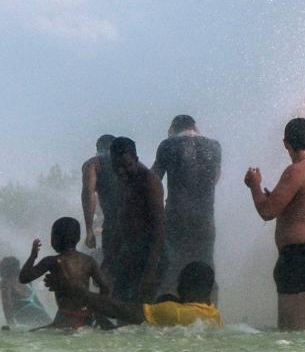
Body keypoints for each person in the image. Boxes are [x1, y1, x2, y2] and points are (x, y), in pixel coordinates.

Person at [244, 118, 305, 331]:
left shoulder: (296, 171)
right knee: (301, 330)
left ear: (286, 143)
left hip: (296, 257)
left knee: (289, 333)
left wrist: (254, 186)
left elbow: (267, 212)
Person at [152, 115, 221, 291]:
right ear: (195, 127)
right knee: (205, 266)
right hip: (204, 218)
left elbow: (152, 181)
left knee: (172, 268)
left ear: (173, 129)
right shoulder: (214, 146)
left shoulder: (168, 144)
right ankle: (209, 313)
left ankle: (170, 313)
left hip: (177, 216)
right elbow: (214, 179)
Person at [47, 260, 222, 328]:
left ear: (182, 285)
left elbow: (120, 309)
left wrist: (72, 288)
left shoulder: (174, 312)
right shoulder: (214, 315)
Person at [19, 217, 111, 329]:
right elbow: (105, 287)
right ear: (77, 238)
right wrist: (99, 314)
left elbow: (24, 278)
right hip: (87, 316)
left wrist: (33, 257)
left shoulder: (51, 261)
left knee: (33, 333)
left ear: (55, 239)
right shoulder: (88, 261)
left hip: (65, 316)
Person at [105, 138, 165, 303]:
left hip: (153, 254)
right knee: (117, 302)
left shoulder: (150, 182)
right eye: (116, 166)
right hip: (131, 251)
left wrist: (151, 271)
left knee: (140, 310)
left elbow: (159, 227)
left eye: (126, 166)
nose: (121, 171)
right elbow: (122, 219)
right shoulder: (122, 181)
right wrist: (110, 257)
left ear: (136, 160)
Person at [80, 134, 116, 259]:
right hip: (138, 223)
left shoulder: (94, 164)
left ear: (98, 149)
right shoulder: (133, 163)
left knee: (109, 265)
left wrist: (89, 230)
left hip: (113, 224)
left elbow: (88, 195)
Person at [0, 257, 51, 327]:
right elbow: (36, 300)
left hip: (24, 314)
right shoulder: (24, 278)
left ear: (3, 269)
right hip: (41, 313)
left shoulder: (6, 282)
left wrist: (10, 323)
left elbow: (6, 304)